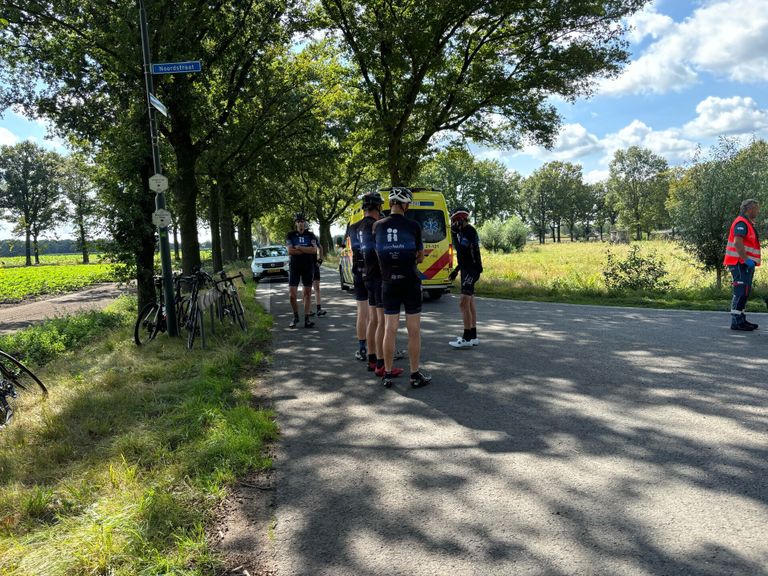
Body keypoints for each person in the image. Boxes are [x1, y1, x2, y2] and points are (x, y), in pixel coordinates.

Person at [373, 187, 431, 388]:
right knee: (413, 330)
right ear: (405, 204)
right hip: (410, 281)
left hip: (388, 282)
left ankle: (387, 375)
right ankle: (415, 375)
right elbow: (421, 256)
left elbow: (376, 254)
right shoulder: (413, 226)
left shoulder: (377, 226)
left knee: (390, 329)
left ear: (391, 203)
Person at [359, 192, 405, 378]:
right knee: (383, 322)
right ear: (378, 206)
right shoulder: (375, 226)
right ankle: (380, 363)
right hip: (379, 277)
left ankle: (371, 359)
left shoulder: (359, 226)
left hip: (367, 276)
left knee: (372, 320)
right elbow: (381, 251)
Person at [448, 206, 482, 348]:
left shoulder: (468, 231)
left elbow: (461, 250)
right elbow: (463, 257)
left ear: (460, 220)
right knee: (470, 304)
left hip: (471, 271)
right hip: (467, 269)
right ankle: (473, 336)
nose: (453, 225)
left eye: (454, 222)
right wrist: (456, 271)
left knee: (463, 302)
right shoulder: (463, 231)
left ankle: (466, 338)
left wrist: (454, 236)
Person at [724, 199, 761, 331]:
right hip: (739, 263)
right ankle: (736, 322)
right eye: (756, 208)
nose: (758, 211)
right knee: (740, 292)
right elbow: (737, 243)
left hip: (744, 263)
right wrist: (746, 260)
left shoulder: (747, 223)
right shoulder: (741, 222)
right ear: (749, 208)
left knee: (744, 292)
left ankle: (741, 319)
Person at [286, 213, 318, 328]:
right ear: (295, 223)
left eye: (302, 221)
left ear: (305, 223)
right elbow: (290, 251)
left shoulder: (310, 235)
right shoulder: (290, 235)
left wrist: (300, 248)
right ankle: (295, 317)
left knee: (307, 293)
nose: (301, 223)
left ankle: (307, 318)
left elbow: (314, 250)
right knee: (292, 295)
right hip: (294, 266)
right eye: (298, 221)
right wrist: (306, 250)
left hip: (307, 266)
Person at [346, 217, 370, 360]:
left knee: (362, 312)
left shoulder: (353, 227)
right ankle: (383, 347)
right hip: (376, 275)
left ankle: (362, 348)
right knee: (380, 315)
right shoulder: (379, 224)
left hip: (359, 273)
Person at [310, 233, 327, 317]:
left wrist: (320, 259)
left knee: (317, 287)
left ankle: (319, 309)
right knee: (307, 289)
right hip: (306, 266)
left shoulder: (312, 236)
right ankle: (308, 310)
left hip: (314, 264)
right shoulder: (298, 237)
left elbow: (320, 247)